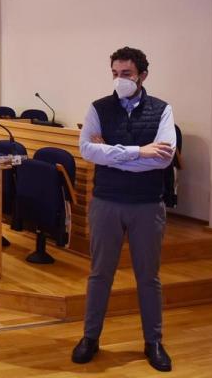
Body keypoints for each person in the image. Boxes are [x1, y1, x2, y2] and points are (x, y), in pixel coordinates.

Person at [72, 46, 176, 372]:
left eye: (127, 74)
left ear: (143, 75)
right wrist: (139, 152)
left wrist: (115, 154)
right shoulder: (98, 108)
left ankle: (153, 342)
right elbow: (88, 150)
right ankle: (90, 338)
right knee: (100, 275)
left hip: (147, 205)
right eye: (115, 74)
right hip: (107, 202)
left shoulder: (162, 110)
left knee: (149, 277)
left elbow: (165, 156)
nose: (120, 80)